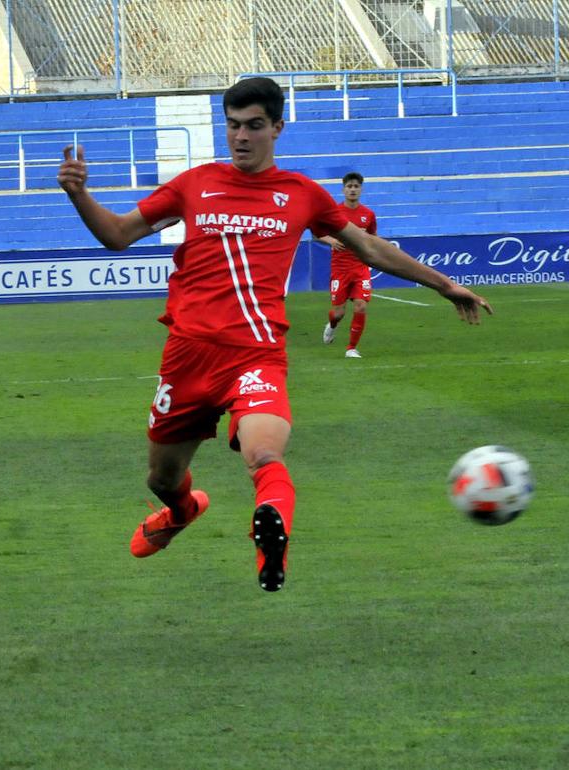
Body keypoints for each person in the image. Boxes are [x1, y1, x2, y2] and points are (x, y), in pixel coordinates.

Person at [57, 77, 490, 592]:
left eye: (254, 126)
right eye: (234, 126)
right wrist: (80, 195)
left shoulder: (301, 194)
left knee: (264, 455)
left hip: (255, 356)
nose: (241, 137)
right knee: (162, 480)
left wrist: (445, 285)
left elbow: (369, 248)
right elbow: (117, 235)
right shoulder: (194, 185)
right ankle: (182, 511)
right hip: (186, 358)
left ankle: (271, 538)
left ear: (277, 128)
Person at [319, 172, 377, 357]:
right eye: (349, 186)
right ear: (343, 189)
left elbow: (372, 238)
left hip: (360, 267)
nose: (352, 190)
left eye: (356, 186)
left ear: (361, 189)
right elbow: (317, 233)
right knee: (338, 313)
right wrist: (331, 241)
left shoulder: (368, 215)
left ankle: (351, 348)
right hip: (340, 269)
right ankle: (332, 325)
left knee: (361, 305)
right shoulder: (334, 213)